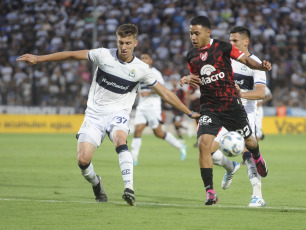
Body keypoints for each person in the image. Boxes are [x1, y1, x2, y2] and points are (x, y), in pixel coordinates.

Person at [17, 24, 200, 206]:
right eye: (121, 42)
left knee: (120, 140)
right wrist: (39, 59)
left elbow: (166, 93)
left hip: (118, 113)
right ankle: (97, 183)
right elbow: (72, 55)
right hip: (94, 114)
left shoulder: (142, 69)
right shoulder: (103, 55)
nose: (124, 47)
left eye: (128, 43)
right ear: (116, 41)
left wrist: (189, 112)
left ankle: (129, 189)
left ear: (135, 43)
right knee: (83, 160)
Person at [180, 16, 271, 205]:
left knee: (250, 143)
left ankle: (257, 158)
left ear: (207, 32)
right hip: (209, 108)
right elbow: (198, 76)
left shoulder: (223, 48)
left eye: (196, 33)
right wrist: (188, 78)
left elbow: (248, 62)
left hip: (232, 107)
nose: (193, 37)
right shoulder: (191, 56)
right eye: (191, 34)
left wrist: (261, 66)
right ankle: (210, 191)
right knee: (205, 146)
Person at [211, 26, 270, 207]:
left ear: (246, 41)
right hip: (224, 111)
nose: (231, 44)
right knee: (208, 150)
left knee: (247, 153)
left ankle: (257, 195)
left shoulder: (255, 64)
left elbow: (261, 93)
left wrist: (241, 94)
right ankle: (230, 167)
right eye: (230, 40)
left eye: (235, 41)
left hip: (245, 113)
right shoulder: (225, 59)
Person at [131, 53, 187, 166]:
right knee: (137, 130)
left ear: (151, 60)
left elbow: (162, 89)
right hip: (142, 107)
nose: (143, 60)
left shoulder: (156, 73)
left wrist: (150, 92)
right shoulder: (137, 72)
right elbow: (137, 88)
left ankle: (180, 146)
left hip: (153, 107)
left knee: (158, 133)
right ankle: (133, 159)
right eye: (142, 58)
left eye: (146, 58)